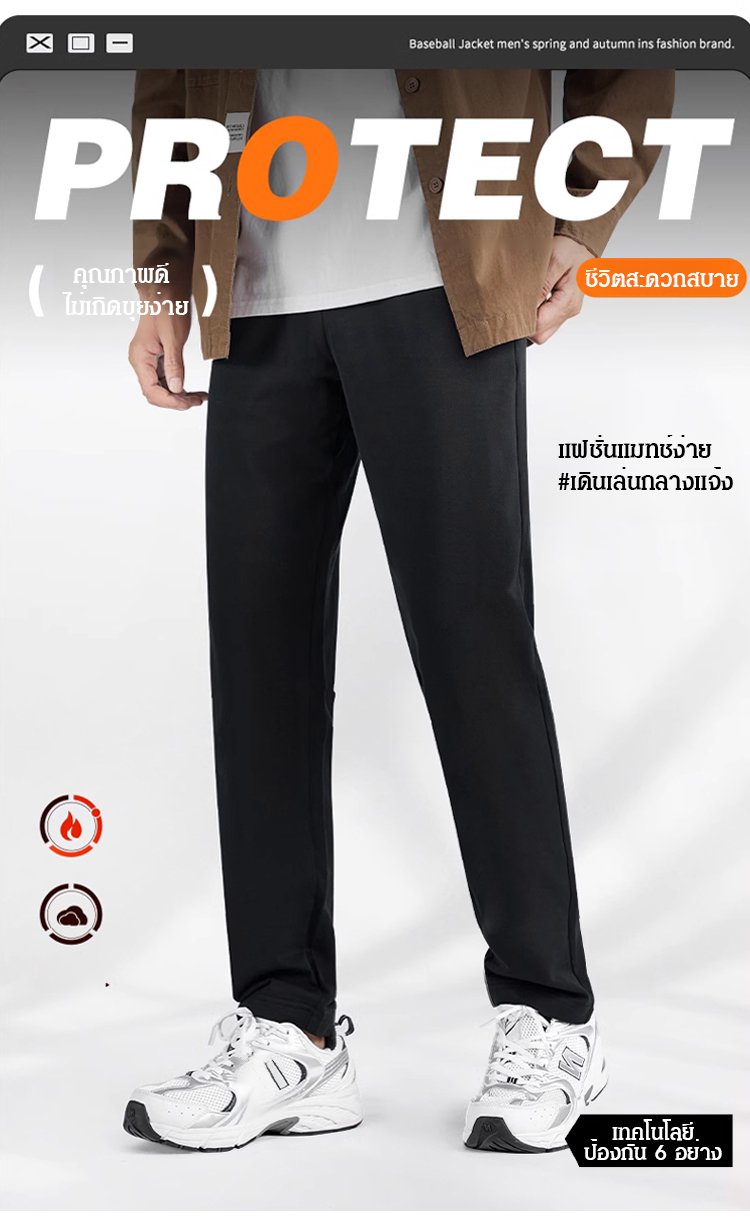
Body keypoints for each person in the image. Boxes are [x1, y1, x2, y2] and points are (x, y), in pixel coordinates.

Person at [123, 67, 674, 1153]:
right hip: (257, 298)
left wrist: (580, 219)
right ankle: (289, 1029)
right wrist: (163, 270)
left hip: (444, 282)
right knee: (260, 664)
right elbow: (170, 71)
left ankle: (551, 1014)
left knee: (474, 647)